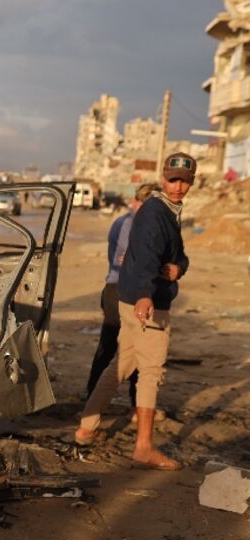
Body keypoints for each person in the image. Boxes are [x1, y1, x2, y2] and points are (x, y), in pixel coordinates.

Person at [74, 153, 195, 470]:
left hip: (131, 299)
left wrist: (179, 268)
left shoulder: (167, 211)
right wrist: (145, 296)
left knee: (122, 365)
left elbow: (179, 255)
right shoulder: (156, 214)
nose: (178, 187)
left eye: (184, 181)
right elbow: (144, 258)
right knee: (151, 372)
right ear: (163, 178)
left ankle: (86, 428)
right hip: (146, 302)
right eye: (173, 180)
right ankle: (143, 448)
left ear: (191, 183)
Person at [84, 183, 158, 405]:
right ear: (140, 202)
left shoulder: (134, 222)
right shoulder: (129, 224)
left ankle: (136, 402)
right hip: (120, 290)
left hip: (126, 288)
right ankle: (93, 399)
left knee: (135, 347)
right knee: (111, 346)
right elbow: (124, 260)